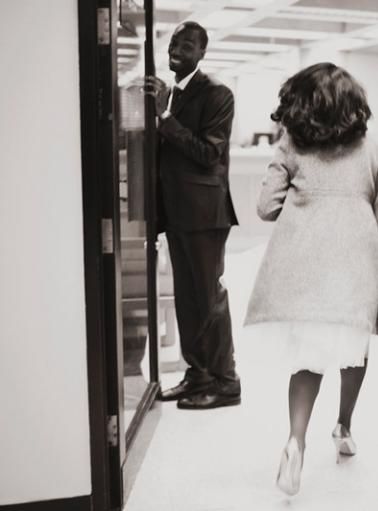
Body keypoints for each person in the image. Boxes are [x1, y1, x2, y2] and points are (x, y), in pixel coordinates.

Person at [243, 62, 378, 496]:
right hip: (356, 262)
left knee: (309, 358)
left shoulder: (292, 144)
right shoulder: (375, 147)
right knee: (354, 349)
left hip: (305, 265)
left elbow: (265, 207)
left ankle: (295, 441)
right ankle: (343, 427)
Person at [144, 22, 241, 410]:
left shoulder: (218, 94)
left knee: (209, 299)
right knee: (187, 299)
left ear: (201, 53)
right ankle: (198, 374)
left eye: (187, 44)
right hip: (177, 214)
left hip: (205, 215)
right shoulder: (170, 97)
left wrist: (164, 119)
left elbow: (207, 153)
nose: (177, 49)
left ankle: (226, 381)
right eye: (173, 42)